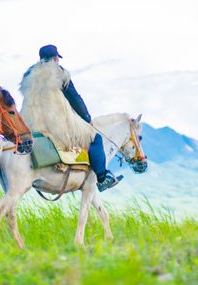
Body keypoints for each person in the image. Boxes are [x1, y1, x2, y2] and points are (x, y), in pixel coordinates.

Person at [19, 44, 122, 192]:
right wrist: (87, 118)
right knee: (95, 138)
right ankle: (102, 177)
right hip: (55, 123)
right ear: (55, 58)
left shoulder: (29, 74)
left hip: (30, 123)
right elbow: (74, 97)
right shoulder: (59, 72)